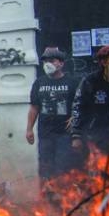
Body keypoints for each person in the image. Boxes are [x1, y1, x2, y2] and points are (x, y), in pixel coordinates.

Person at [25, 47, 79, 194]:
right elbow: (34, 107)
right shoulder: (39, 83)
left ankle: (64, 198)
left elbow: (80, 106)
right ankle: (47, 199)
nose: (47, 64)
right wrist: (29, 129)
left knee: (62, 166)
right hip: (45, 133)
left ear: (61, 63)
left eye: (52, 61)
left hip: (65, 134)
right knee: (45, 167)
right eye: (45, 61)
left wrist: (76, 123)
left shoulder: (72, 82)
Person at [71, 44, 109, 155]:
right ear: (104, 62)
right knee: (99, 167)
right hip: (97, 134)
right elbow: (78, 107)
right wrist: (76, 135)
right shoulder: (90, 81)